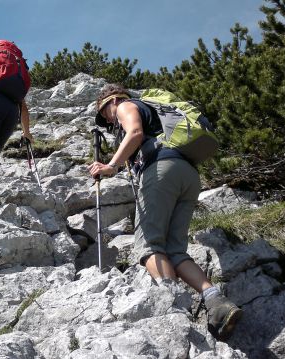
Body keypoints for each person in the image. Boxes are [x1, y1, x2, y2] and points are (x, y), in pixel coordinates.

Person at [89, 84, 242, 341]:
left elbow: (135, 132)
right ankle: (216, 302)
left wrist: (112, 166)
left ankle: (175, 309)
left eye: (104, 112)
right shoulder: (156, 114)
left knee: (149, 246)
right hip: (188, 175)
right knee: (175, 250)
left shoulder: (126, 106)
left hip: (161, 171)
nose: (107, 119)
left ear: (112, 101)